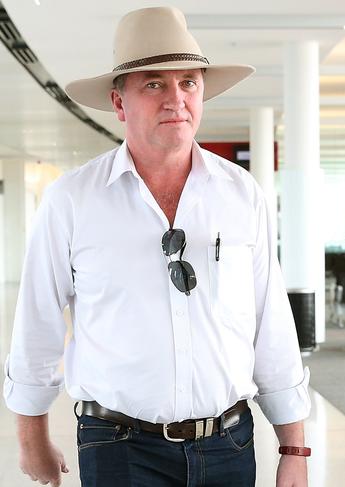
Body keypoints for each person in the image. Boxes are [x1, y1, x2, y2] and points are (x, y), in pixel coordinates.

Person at [3, 6, 310, 487]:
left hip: (229, 444)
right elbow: (36, 324)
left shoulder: (242, 193)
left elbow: (271, 323)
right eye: (154, 84)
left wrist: (294, 447)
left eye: (189, 82)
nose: (176, 99)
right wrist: (31, 438)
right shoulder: (72, 200)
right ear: (119, 103)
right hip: (118, 447)